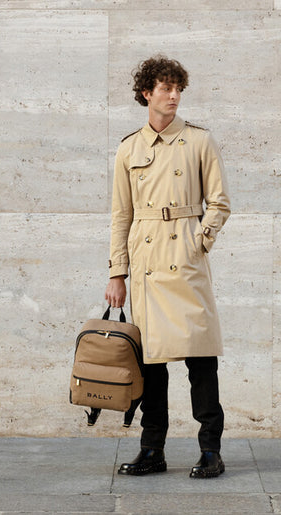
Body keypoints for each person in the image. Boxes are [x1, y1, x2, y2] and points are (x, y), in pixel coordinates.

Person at [104, 55, 231, 479]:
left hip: (185, 260)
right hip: (145, 265)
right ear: (147, 94)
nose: (174, 96)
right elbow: (120, 215)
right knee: (151, 365)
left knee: (200, 359)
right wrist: (116, 273)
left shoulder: (199, 141)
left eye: (178, 88)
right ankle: (152, 449)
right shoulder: (129, 148)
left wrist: (199, 241)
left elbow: (220, 202)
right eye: (166, 88)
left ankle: (210, 450)